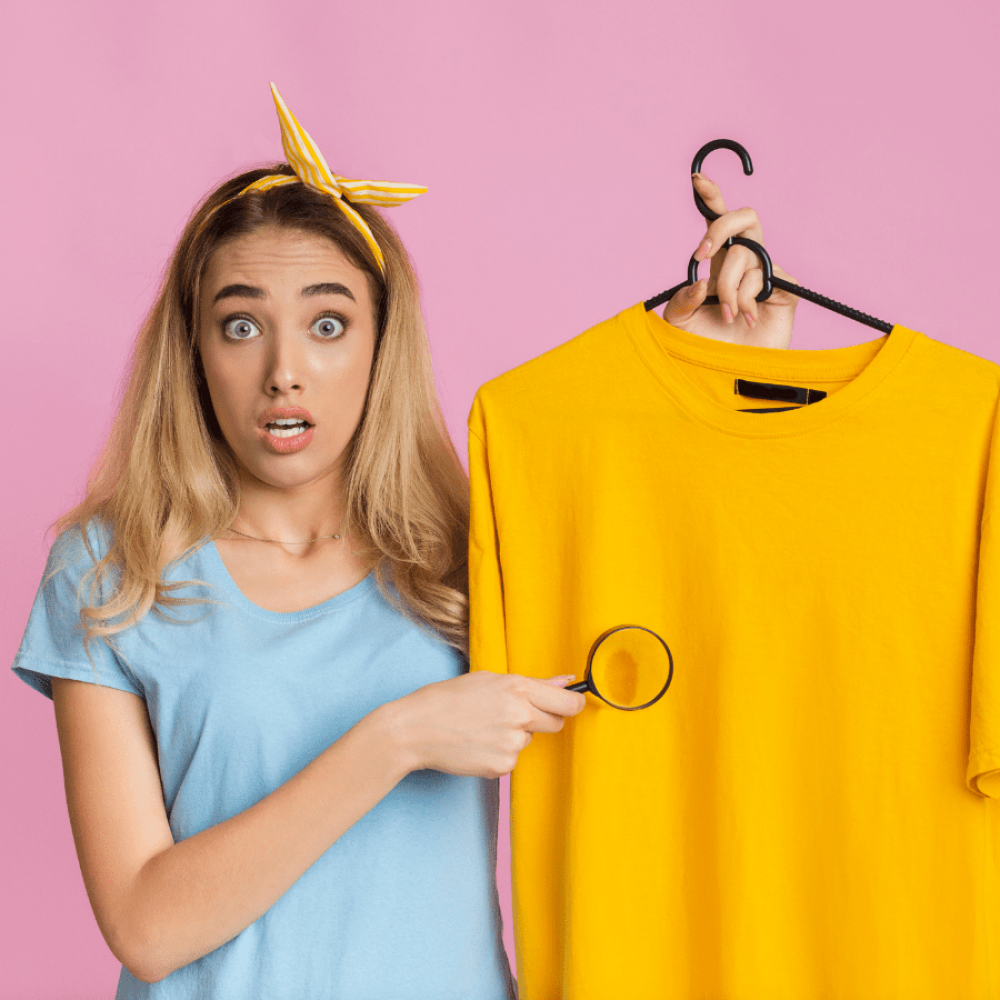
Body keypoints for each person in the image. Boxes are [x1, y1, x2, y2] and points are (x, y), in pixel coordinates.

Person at [11, 85, 794, 999]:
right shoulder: (111, 570)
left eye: (329, 323)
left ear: (385, 347)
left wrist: (728, 378)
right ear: (192, 350)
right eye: (241, 325)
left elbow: (692, 624)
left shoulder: (480, 545)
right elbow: (148, 927)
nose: (285, 371)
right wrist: (398, 738)